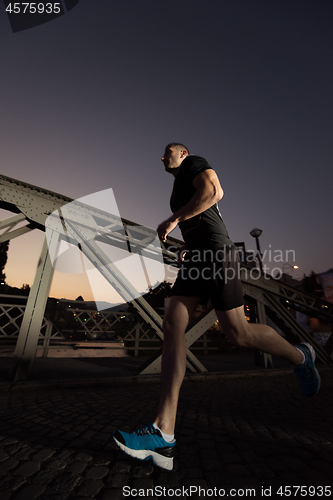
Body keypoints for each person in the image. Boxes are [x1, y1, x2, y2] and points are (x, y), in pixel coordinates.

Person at [113, 143, 321, 471]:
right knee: (173, 324)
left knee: (237, 334)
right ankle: (162, 434)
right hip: (197, 257)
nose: (162, 157)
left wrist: (173, 220)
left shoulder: (195, 163)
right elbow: (198, 211)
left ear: (182, 153)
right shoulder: (178, 184)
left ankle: (300, 356)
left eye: (168, 151)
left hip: (217, 253)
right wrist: (187, 246)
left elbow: (214, 191)